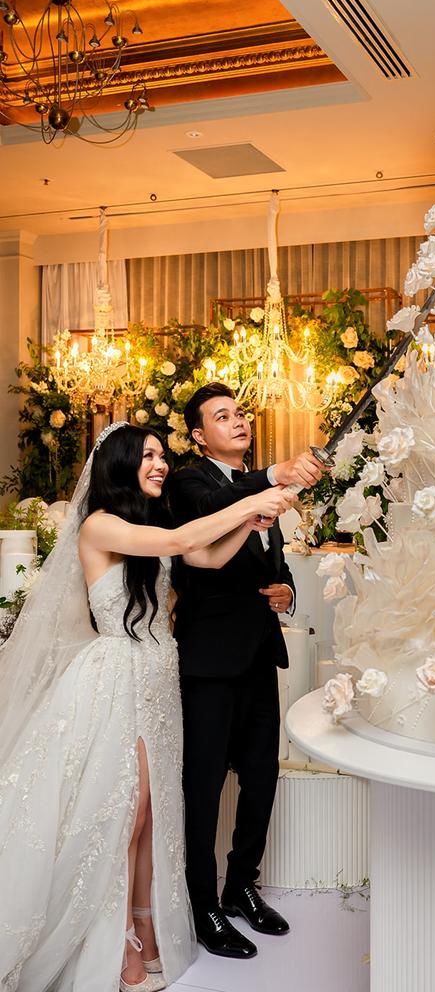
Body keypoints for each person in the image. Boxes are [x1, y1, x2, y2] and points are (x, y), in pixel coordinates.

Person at [0, 421, 294, 992]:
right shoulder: (101, 525)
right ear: (120, 464)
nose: (160, 464)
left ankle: (145, 926)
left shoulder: (146, 525)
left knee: (154, 812)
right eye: (149, 455)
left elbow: (205, 558)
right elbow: (185, 543)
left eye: (163, 455)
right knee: (125, 814)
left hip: (158, 678)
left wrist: (252, 522)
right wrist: (253, 496)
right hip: (117, 678)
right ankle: (118, 949)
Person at [168, 383, 323, 959]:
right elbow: (211, 524)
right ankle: (202, 904)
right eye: (222, 416)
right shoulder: (190, 483)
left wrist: (284, 589)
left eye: (241, 414)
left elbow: (267, 559)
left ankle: (241, 886)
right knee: (203, 787)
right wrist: (273, 477)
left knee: (262, 776)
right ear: (198, 435)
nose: (238, 422)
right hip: (208, 662)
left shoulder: (265, 493)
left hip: (259, 655)